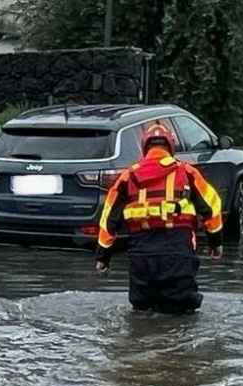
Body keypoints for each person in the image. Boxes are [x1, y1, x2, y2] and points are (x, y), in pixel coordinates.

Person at [94, 121, 223, 314]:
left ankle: (141, 343)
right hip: (178, 252)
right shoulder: (187, 172)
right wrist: (215, 242)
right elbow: (212, 207)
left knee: (142, 312)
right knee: (181, 314)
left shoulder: (127, 177)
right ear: (171, 145)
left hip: (141, 255)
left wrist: (103, 257)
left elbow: (109, 220)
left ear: (144, 146)